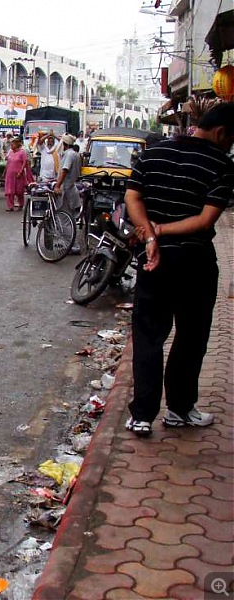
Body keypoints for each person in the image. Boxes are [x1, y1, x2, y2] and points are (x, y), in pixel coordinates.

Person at [123, 101, 234, 437]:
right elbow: (205, 220)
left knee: (147, 336)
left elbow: (132, 197)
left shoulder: (153, 153)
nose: (230, 146)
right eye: (231, 139)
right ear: (220, 133)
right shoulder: (222, 165)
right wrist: (161, 231)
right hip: (194, 264)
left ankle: (142, 415)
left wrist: (151, 234)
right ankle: (179, 410)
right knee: (191, 337)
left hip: (153, 261)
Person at [53, 134, 81, 219]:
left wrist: (57, 186)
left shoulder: (69, 155)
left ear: (65, 144)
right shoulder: (76, 154)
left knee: (64, 217)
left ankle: (66, 232)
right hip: (71, 188)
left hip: (65, 189)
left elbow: (65, 170)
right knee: (69, 215)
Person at [4, 137, 33, 212]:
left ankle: (21, 204)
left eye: (13, 144)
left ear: (17, 145)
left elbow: (24, 162)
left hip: (18, 175)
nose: (11, 146)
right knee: (9, 191)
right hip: (10, 174)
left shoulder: (22, 152)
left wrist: (20, 172)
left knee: (19, 191)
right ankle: (10, 206)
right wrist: (5, 172)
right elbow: (8, 162)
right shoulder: (10, 152)